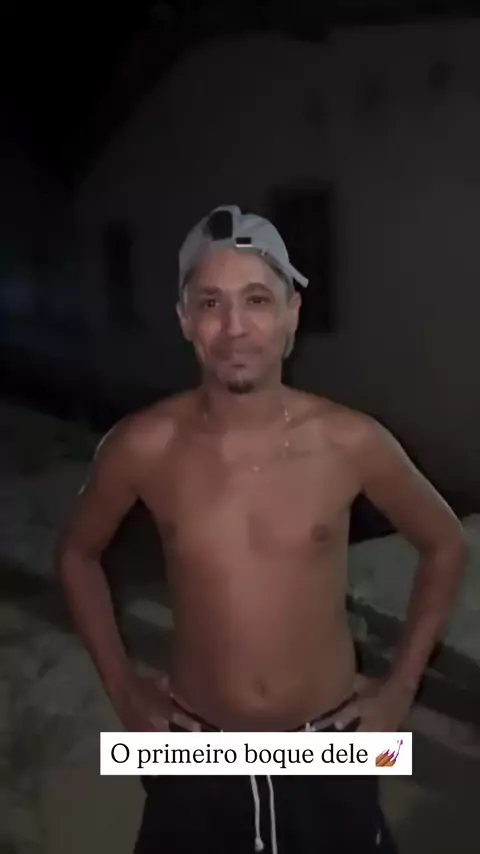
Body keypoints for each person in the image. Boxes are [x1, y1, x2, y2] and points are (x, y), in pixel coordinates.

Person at [56, 205, 467, 853]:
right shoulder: (142, 446)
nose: (234, 328)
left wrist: (400, 690)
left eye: (256, 300)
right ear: (184, 319)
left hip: (333, 740)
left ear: (291, 314)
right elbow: (77, 555)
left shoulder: (351, 441)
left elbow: (445, 544)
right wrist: (123, 691)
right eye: (210, 303)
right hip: (190, 744)